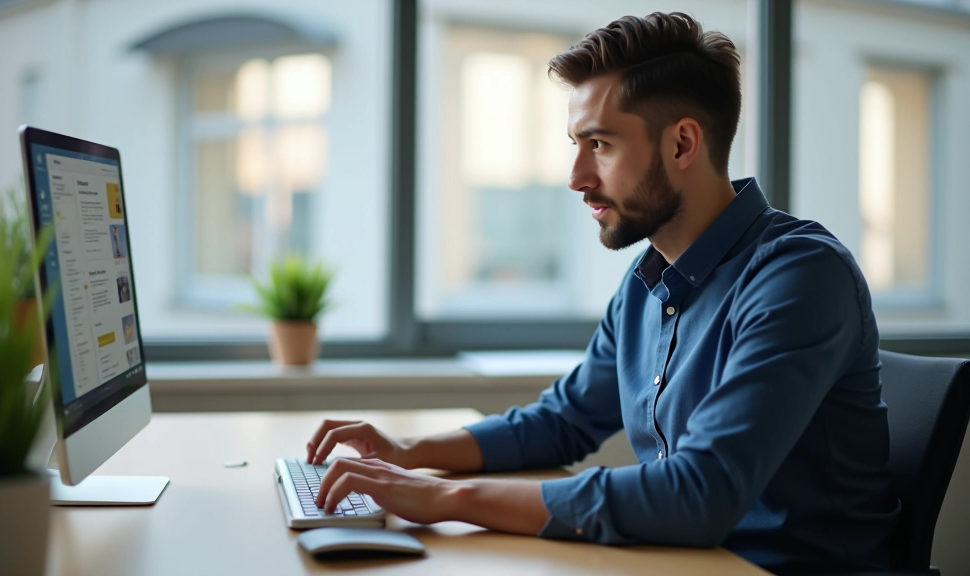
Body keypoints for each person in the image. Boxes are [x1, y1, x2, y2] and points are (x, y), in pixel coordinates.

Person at [306, 12, 899, 574]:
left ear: (682, 144)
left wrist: (447, 498)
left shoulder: (799, 276)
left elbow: (699, 493)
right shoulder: (647, 281)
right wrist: (408, 451)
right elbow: (563, 421)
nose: (576, 178)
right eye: (576, 144)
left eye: (600, 145)